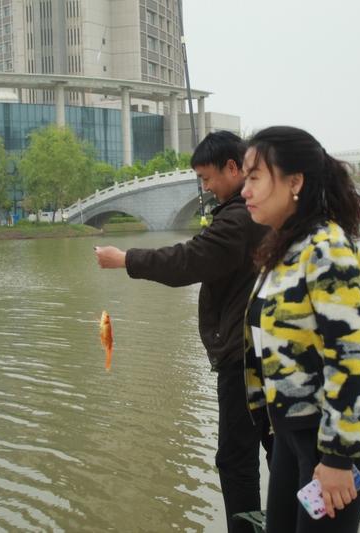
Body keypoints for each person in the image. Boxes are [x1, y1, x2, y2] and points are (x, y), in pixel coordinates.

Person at [94, 131, 273, 533]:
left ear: (233, 168)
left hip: (243, 355)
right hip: (265, 349)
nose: (204, 188)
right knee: (278, 447)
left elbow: (189, 260)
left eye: (207, 178)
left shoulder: (240, 217)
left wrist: (125, 259)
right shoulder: (254, 213)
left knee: (237, 458)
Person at [240, 126, 360, 533]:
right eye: (245, 178)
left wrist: (337, 458)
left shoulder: (326, 248)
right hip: (292, 436)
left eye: (255, 177)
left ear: (295, 182)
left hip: (332, 442)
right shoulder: (286, 249)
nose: (245, 191)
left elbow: (351, 358)